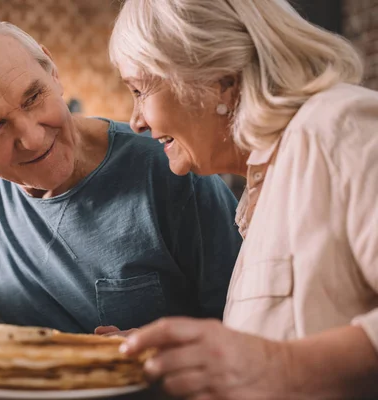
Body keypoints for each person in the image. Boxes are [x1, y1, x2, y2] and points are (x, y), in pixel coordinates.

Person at [0, 16, 242, 334]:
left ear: (53, 74)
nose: (33, 137)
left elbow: (248, 327)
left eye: (33, 97)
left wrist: (159, 351)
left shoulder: (173, 167)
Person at [108, 0, 378, 398]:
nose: (136, 121)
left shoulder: (336, 127)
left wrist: (278, 365)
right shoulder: (262, 190)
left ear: (220, 78)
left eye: (139, 90)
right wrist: (186, 357)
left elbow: (273, 364)